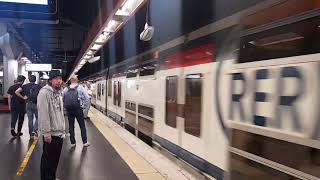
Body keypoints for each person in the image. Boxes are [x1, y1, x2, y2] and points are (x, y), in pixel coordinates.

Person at [38, 70, 65, 180]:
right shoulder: (44, 93)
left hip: (59, 133)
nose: (59, 81)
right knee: (47, 159)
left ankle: (52, 177)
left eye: (60, 79)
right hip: (51, 133)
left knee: (55, 159)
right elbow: (44, 113)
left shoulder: (58, 93)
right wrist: (46, 133)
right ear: (50, 81)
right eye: (56, 79)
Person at [63, 75, 90, 147]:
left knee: (71, 126)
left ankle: (73, 143)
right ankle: (85, 142)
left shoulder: (65, 89)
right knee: (82, 125)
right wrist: (83, 106)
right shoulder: (81, 88)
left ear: (71, 81)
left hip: (69, 110)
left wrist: (65, 108)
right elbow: (87, 98)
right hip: (78, 109)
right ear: (77, 80)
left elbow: (62, 99)